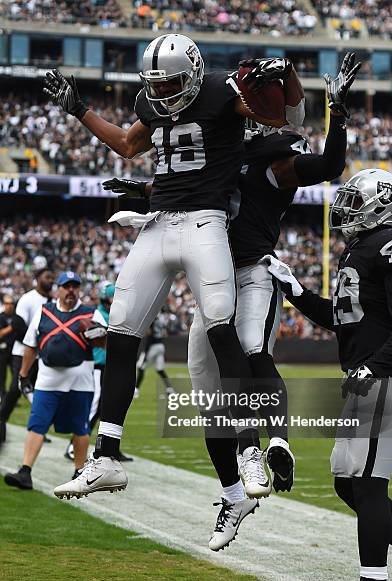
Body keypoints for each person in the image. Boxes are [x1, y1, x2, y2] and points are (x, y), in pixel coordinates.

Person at [102, 53, 362, 551]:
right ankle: (234, 495)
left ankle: (271, 443)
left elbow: (326, 161)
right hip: (212, 278)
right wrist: (141, 194)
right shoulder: (220, 147)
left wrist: (338, 111)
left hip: (252, 271)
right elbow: (181, 185)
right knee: (212, 403)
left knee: (250, 352)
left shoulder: (273, 158)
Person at [45, 34, 306, 499]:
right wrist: (79, 109)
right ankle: (105, 456)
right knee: (122, 333)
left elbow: (278, 118)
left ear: (194, 72)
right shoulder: (153, 99)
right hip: (158, 222)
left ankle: (248, 449)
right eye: (156, 85)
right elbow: (127, 145)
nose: (163, 93)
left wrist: (284, 74)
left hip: (206, 222)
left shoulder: (223, 92)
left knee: (222, 328)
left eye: (171, 84)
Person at [268, 169, 392, 581]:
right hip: (364, 378)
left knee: (368, 484)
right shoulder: (358, 250)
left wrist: (376, 368)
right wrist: (295, 290)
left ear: (382, 203)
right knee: (347, 484)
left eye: (355, 198)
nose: (345, 207)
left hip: (384, 378)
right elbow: (341, 317)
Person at [4, 272, 107, 491]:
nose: (70, 290)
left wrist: (100, 336)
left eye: (74, 286)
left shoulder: (91, 313)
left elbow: (105, 343)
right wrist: (23, 375)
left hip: (79, 380)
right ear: (58, 289)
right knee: (37, 424)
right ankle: (25, 471)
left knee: (80, 427)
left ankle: (80, 473)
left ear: (78, 290)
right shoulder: (44, 312)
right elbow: (30, 345)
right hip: (47, 380)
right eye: (66, 286)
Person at [64, 282, 133, 463]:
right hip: (98, 366)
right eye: (112, 298)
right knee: (95, 407)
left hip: (108, 365)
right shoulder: (98, 315)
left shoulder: (110, 315)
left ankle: (111, 447)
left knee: (110, 408)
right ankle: (73, 445)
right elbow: (102, 336)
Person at [0, 268, 55, 443]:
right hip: (22, 352)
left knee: (40, 391)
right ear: (37, 279)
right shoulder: (28, 298)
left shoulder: (53, 301)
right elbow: (17, 323)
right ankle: (1, 420)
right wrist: (36, 338)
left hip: (42, 354)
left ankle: (38, 430)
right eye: (47, 276)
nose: (50, 280)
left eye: (52, 277)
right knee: (16, 390)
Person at [134, 317, 174, 398]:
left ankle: (136, 390)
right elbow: (165, 332)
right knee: (160, 370)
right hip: (161, 345)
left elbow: (150, 335)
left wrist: (145, 351)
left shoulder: (151, 320)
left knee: (141, 367)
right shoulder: (159, 320)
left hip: (153, 346)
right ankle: (170, 389)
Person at [0, 295, 26, 405]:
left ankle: (12, 399)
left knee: (15, 377)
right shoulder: (1, 317)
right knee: (2, 376)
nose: (9, 306)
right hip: (2, 350)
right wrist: (11, 327)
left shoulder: (17, 317)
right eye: (7, 303)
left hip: (14, 351)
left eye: (11, 304)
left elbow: (23, 332)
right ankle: (3, 397)